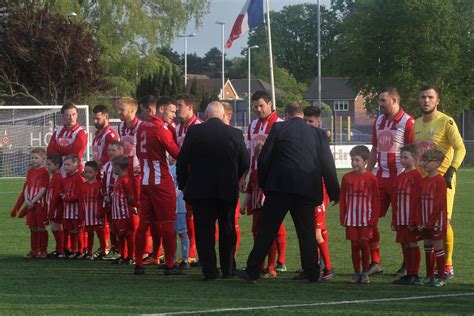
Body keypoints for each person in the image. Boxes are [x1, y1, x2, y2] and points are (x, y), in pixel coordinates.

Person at [237, 102, 339, 283]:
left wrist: (264, 184)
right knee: (307, 232)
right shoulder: (318, 134)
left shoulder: (278, 128)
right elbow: (327, 164)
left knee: (267, 230)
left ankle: (253, 269)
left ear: (287, 114)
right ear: (301, 114)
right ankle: (311, 271)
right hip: (306, 189)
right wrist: (334, 191)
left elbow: (265, 158)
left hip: (279, 188)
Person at [177, 101, 249, 280]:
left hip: (201, 191)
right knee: (227, 228)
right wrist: (235, 177)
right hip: (226, 189)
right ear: (223, 115)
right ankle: (228, 268)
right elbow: (245, 162)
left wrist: (184, 185)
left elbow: (182, 161)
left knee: (204, 231)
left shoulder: (194, 132)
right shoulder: (235, 133)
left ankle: (209, 270)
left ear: (205, 116)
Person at [414, 85, 466, 280]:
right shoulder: (416, 124)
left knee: (444, 223)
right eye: (423, 97)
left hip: (443, 180)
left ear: (437, 101)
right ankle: (430, 268)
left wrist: (451, 170)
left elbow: (460, 148)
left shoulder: (446, 121)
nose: (426, 101)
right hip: (424, 182)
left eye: (430, 97)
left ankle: (448, 264)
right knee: (426, 224)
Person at [367, 87, 414, 276]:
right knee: (369, 219)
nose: (380, 104)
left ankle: (407, 263)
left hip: (400, 180)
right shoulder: (378, 121)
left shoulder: (407, 122)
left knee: (402, 223)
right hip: (380, 178)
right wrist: (368, 174)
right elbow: (374, 149)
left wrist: (411, 177)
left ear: (394, 101)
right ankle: (376, 261)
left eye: (383, 100)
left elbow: (413, 152)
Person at [242, 90, 287, 277]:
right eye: (255, 106)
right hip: (256, 181)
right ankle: (260, 264)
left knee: (273, 226)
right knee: (257, 226)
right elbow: (250, 154)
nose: (258, 109)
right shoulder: (252, 125)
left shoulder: (280, 125)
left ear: (270, 104)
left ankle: (275, 264)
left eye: (261, 105)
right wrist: (245, 176)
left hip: (273, 181)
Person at [134, 102, 182, 276]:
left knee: (144, 223)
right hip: (161, 181)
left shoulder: (142, 126)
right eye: (171, 111)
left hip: (145, 181)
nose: (174, 115)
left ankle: (138, 263)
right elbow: (177, 154)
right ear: (161, 109)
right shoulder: (160, 129)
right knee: (167, 222)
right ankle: (170, 264)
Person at [340, 145, 380, 284]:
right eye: (352, 160)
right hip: (351, 219)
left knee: (364, 244)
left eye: (357, 160)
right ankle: (356, 272)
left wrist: (373, 219)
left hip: (366, 220)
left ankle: (365, 272)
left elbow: (376, 200)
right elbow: (343, 200)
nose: (354, 163)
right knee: (355, 246)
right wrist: (343, 217)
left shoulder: (371, 179)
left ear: (365, 162)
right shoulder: (346, 178)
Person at [303, 105, 335, 281]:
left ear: (318, 122)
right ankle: (319, 264)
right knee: (317, 230)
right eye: (305, 121)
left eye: (311, 121)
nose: (308, 124)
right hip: (307, 188)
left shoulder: (321, 137)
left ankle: (327, 267)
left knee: (316, 230)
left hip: (319, 189)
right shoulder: (302, 137)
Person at [175, 93, 203, 264]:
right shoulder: (177, 127)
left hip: (196, 178)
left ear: (190, 107)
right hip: (181, 178)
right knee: (184, 216)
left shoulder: (200, 126)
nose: (176, 109)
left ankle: (198, 254)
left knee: (198, 216)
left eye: (180, 105)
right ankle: (189, 254)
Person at [416, 149, 448, 287]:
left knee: (438, 248)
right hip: (424, 222)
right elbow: (418, 202)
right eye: (423, 161)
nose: (424, 164)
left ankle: (440, 276)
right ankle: (429, 275)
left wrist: (430, 221)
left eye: (428, 161)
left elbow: (439, 204)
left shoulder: (440, 180)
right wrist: (419, 220)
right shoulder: (423, 181)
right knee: (427, 247)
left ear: (437, 164)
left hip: (436, 222)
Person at [10, 147, 50, 259]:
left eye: (36, 158)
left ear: (43, 159)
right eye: (32, 157)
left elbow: (43, 189)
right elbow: (27, 186)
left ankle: (43, 251)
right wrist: (27, 200)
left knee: (41, 227)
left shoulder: (45, 172)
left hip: (39, 204)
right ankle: (34, 250)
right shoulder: (31, 171)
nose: (33, 160)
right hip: (30, 204)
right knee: (32, 227)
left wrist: (33, 200)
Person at [391, 144, 422, 285]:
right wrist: (394, 219)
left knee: (412, 244)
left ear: (415, 158)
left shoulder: (417, 176)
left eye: (406, 157)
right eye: (401, 157)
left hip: (411, 218)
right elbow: (395, 199)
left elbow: (418, 200)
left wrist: (415, 219)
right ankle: (408, 272)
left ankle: (414, 274)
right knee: (404, 244)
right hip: (401, 218)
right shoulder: (400, 176)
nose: (403, 160)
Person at [110, 155, 137, 265]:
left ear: (118, 168)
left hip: (124, 213)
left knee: (128, 235)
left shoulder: (125, 180)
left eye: (113, 167)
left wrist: (132, 206)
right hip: (117, 214)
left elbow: (130, 197)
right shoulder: (119, 179)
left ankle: (131, 256)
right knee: (120, 235)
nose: (112, 169)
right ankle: (123, 255)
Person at [47, 103, 88, 175]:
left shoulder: (81, 132)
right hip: (58, 171)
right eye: (68, 115)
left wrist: (58, 149)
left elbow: (74, 153)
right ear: (63, 116)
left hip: (74, 172)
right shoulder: (57, 131)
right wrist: (67, 149)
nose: (71, 118)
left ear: (77, 115)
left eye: (73, 114)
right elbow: (50, 150)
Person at [100, 140, 123, 260]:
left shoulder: (123, 165)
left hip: (119, 201)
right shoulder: (107, 165)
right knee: (112, 225)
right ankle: (114, 249)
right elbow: (104, 182)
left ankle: (122, 250)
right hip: (109, 200)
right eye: (109, 150)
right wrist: (105, 194)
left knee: (120, 225)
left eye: (113, 150)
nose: (110, 152)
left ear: (120, 150)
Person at [61, 154, 85, 259]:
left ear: (76, 166)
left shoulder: (78, 178)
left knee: (77, 230)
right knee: (70, 230)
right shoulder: (66, 178)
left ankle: (80, 250)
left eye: (68, 164)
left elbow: (80, 195)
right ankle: (72, 250)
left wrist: (66, 198)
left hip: (75, 209)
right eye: (65, 164)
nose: (66, 166)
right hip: (67, 210)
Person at [81, 161, 106, 260]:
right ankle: (89, 252)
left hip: (97, 213)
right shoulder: (83, 185)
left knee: (100, 233)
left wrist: (101, 211)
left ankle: (103, 251)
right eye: (86, 172)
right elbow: (81, 200)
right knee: (89, 233)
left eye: (90, 172)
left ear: (96, 173)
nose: (87, 174)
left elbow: (103, 199)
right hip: (87, 214)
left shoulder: (99, 185)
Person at [46, 155, 65, 259]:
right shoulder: (54, 177)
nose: (47, 167)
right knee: (54, 228)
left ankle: (60, 250)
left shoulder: (58, 178)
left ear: (57, 165)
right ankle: (59, 249)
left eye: (49, 164)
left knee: (56, 227)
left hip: (56, 208)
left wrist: (52, 209)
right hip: (52, 207)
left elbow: (56, 195)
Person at [92, 105, 119, 170]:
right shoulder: (97, 134)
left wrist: (92, 168)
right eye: (94, 119)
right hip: (97, 171)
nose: (95, 121)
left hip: (105, 172)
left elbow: (107, 157)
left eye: (98, 119)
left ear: (106, 117)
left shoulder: (110, 135)